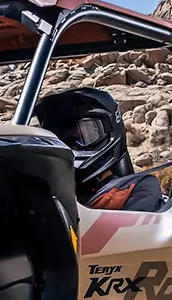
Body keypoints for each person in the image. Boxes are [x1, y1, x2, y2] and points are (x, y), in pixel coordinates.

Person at [33, 87, 164, 212]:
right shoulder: (45, 193)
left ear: (109, 130)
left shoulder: (136, 188)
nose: (70, 144)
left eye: (83, 134)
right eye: (60, 137)